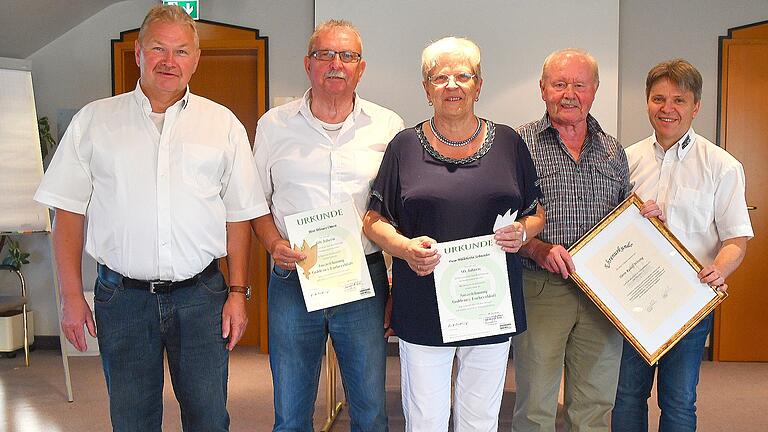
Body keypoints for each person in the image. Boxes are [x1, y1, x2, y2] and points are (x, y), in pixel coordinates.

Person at [33, 5, 268, 431]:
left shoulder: (223, 126)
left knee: (209, 417)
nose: (169, 61)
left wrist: (237, 292)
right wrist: (70, 297)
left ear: (195, 60)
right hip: (122, 300)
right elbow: (66, 213)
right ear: (139, 53)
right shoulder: (95, 122)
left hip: (201, 297)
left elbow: (239, 216)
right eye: (158, 48)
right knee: (132, 419)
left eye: (181, 51)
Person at [362, 37, 545, 431]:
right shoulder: (404, 146)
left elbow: (536, 213)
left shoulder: (510, 143)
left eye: (463, 76)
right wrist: (405, 247)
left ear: (479, 85)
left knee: (479, 417)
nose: (452, 85)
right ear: (426, 89)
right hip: (423, 301)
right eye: (440, 77)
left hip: (489, 303)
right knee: (426, 416)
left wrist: (523, 233)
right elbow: (374, 221)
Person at [251, 20, 404, 432]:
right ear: (308, 64)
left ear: (361, 67)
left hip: (364, 282)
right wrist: (272, 243)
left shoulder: (388, 127)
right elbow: (255, 204)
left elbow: (395, 209)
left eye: (347, 56)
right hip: (294, 278)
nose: (336, 64)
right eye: (325, 55)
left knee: (370, 411)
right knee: (291, 412)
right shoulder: (273, 126)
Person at [611, 59, 752, 432]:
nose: (667, 108)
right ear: (647, 102)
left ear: (696, 106)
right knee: (625, 395)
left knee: (678, 401)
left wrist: (719, 269)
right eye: (658, 99)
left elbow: (736, 238)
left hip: (688, 305)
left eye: (678, 99)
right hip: (631, 303)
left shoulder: (721, 166)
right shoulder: (624, 160)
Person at [512, 48, 632, 432]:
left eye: (579, 84)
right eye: (560, 84)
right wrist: (537, 247)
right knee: (535, 406)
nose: (569, 93)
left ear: (594, 90)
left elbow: (623, 220)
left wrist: (646, 222)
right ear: (542, 88)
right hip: (541, 288)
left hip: (603, 295)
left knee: (595, 405)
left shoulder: (614, 150)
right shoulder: (517, 145)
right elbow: (505, 222)